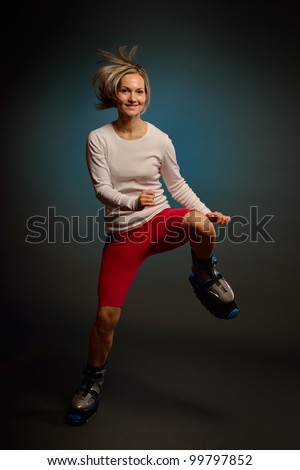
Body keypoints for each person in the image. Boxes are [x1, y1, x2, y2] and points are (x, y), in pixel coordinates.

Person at [66, 45, 239, 426]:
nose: (133, 97)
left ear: (147, 96)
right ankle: (92, 382)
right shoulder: (99, 138)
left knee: (200, 224)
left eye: (140, 91)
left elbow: (177, 184)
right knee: (104, 320)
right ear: (115, 94)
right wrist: (131, 201)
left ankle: (203, 271)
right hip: (123, 238)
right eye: (127, 90)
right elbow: (101, 189)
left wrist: (206, 210)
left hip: (160, 223)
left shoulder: (159, 138)